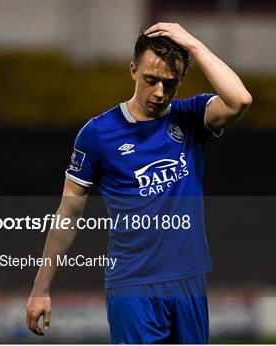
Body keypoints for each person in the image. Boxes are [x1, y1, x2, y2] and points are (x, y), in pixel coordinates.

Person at [25, 22, 252, 344]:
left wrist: (193, 45)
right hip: (133, 283)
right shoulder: (98, 134)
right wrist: (40, 289)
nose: (159, 92)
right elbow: (69, 212)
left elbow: (240, 100)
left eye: (170, 83)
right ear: (133, 70)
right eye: (151, 80)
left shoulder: (191, 118)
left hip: (189, 279)